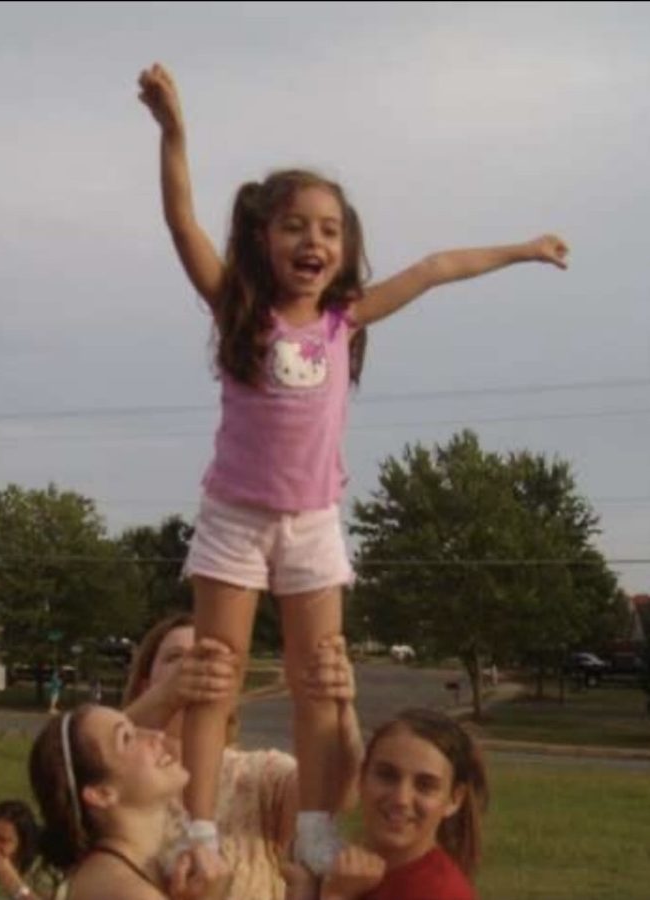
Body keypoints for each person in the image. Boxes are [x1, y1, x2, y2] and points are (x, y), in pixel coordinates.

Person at [137, 61, 568, 875]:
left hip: (310, 522)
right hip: (234, 514)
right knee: (212, 675)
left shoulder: (345, 318)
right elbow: (181, 225)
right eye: (297, 225)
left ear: (346, 248)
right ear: (265, 237)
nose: (314, 241)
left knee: (319, 680)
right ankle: (196, 828)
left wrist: (523, 249)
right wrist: (174, 135)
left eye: (330, 230)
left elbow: (438, 266)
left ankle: (312, 826)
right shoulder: (240, 308)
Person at [122, 612, 363, 900]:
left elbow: (336, 795)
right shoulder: (117, 775)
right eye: (176, 658)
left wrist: (341, 710)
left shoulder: (258, 774)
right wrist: (163, 699)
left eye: (215, 663)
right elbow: (71, 759)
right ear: (144, 685)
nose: (199, 668)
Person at [284, 708, 489, 900]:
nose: (401, 798)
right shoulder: (352, 872)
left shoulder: (440, 892)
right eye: (387, 775)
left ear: (454, 799)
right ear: (362, 777)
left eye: (425, 785)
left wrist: (335, 894)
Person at [29, 703, 228, 900]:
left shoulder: (114, 872)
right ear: (102, 794)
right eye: (126, 738)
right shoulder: (128, 892)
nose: (156, 736)